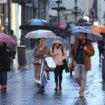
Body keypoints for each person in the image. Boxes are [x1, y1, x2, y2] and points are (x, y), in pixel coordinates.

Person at [71, 33, 95, 97]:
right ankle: (82, 86)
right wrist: (74, 60)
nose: (81, 37)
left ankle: (81, 91)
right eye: (80, 35)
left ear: (85, 36)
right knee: (76, 77)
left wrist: (87, 49)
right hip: (77, 63)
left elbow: (92, 53)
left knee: (83, 78)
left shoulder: (88, 43)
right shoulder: (76, 42)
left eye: (83, 36)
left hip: (85, 64)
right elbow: (72, 52)